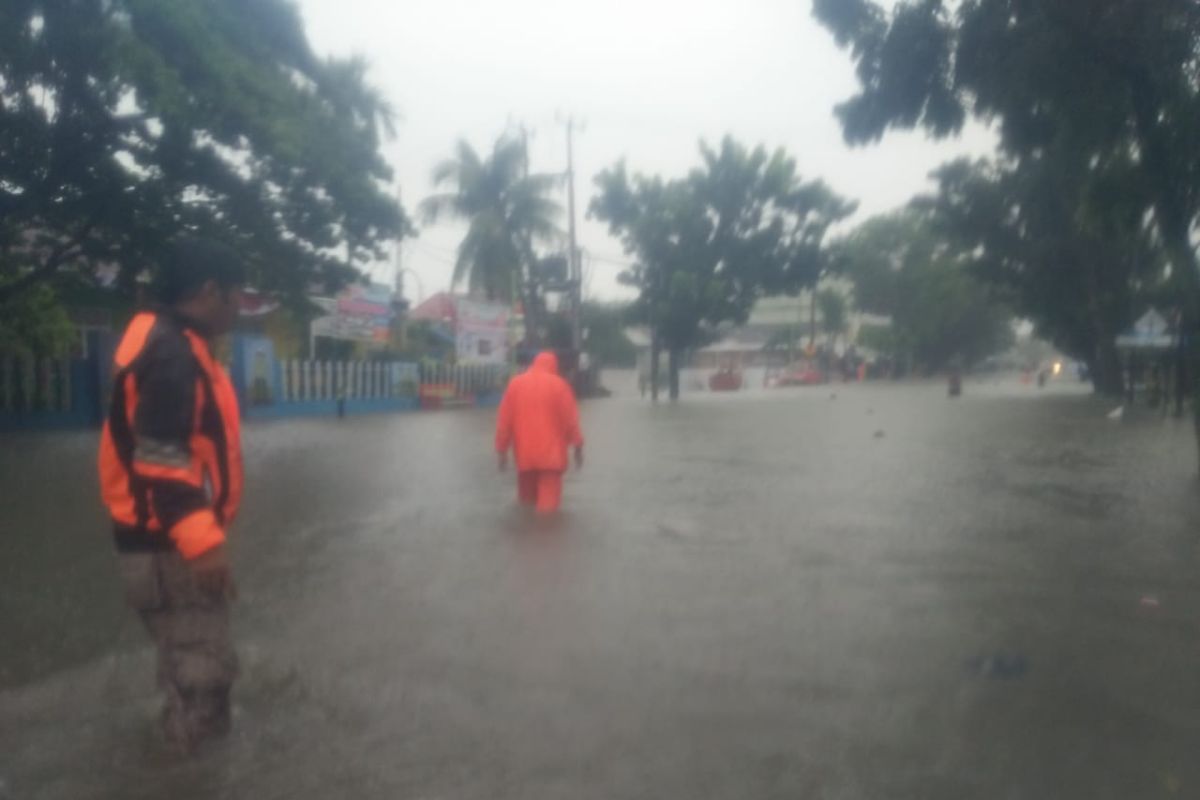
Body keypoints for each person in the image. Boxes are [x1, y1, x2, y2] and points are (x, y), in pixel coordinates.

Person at [98, 238, 245, 752]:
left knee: (188, 671)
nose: (239, 308)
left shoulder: (168, 340)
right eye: (236, 295)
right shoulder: (172, 352)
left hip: (162, 541)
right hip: (170, 544)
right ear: (210, 290)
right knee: (205, 680)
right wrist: (204, 544)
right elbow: (162, 458)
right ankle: (186, 778)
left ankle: (174, 761)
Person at [495, 351, 584, 514]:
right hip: (551, 458)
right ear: (554, 366)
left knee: (526, 505)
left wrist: (502, 451)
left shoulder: (515, 384)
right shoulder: (560, 386)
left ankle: (526, 536)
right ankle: (544, 537)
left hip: (524, 456)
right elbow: (571, 421)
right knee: (547, 513)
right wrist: (578, 446)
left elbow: (504, 422)